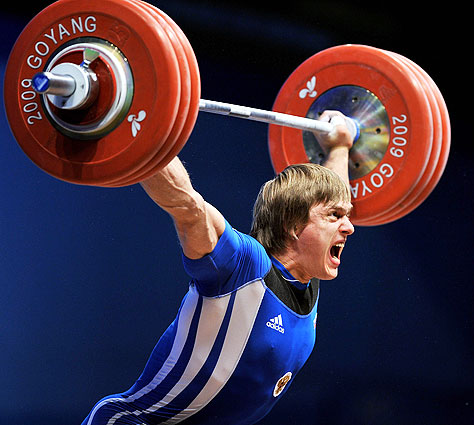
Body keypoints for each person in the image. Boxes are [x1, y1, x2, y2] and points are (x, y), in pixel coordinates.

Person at [81, 111, 355, 425]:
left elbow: (335, 193)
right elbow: (187, 206)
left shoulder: (307, 276)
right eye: (335, 216)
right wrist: (133, 122)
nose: (349, 227)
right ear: (294, 226)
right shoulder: (243, 267)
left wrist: (340, 146)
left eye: (346, 216)